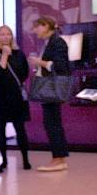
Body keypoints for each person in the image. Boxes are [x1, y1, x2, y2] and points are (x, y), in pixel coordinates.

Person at [0, 25, 32, 172]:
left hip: (16, 97)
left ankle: (26, 159)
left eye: (8, 34)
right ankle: (4, 160)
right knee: (1, 131)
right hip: (0, 97)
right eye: (2, 34)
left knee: (20, 129)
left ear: (11, 37)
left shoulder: (19, 54)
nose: (5, 37)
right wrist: (5, 55)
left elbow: (24, 73)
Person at [29, 16, 71, 172]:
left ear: (46, 26)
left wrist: (39, 62)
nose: (35, 31)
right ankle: (58, 157)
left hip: (52, 88)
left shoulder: (57, 42)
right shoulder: (50, 42)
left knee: (52, 123)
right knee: (52, 123)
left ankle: (58, 159)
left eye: (37, 27)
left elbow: (60, 66)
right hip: (49, 88)